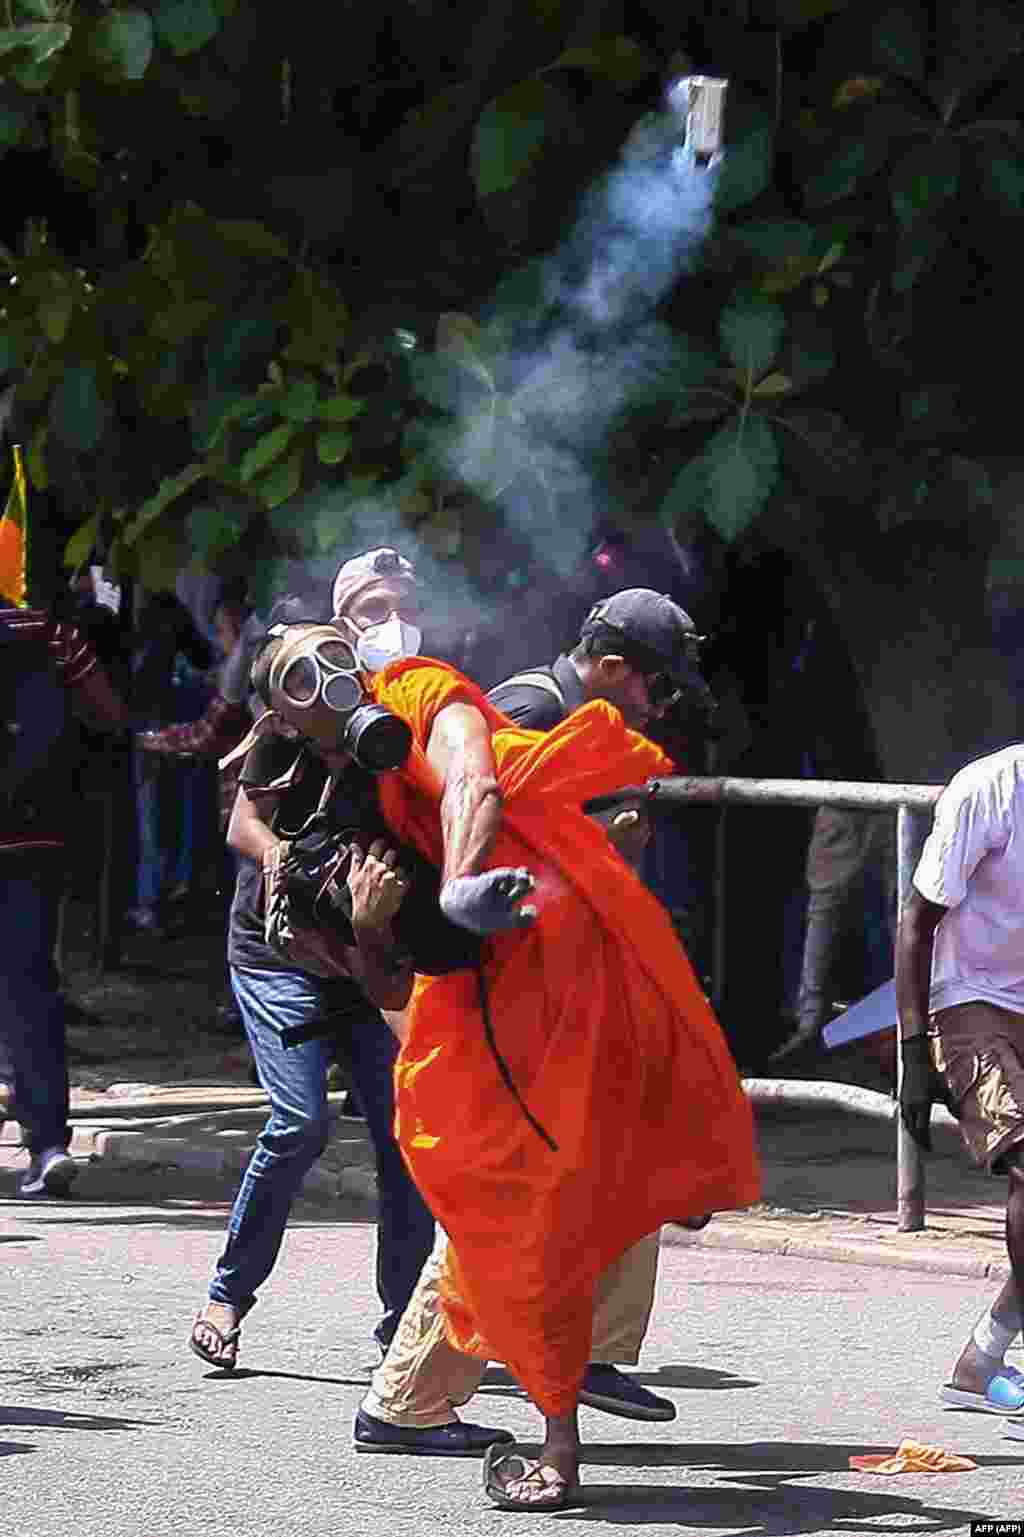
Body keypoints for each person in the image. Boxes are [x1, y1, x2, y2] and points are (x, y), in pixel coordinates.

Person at [349, 615, 760, 1508]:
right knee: (502, 1197)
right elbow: (479, 838)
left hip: (545, 999)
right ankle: (408, 1397)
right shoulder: (526, 708)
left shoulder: (551, 714)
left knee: (599, 1172)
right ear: (611, 666)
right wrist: (596, 839)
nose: (657, 702)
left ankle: (588, 1356)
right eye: (651, 683)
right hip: (488, 999)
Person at [187, 560, 438, 1384]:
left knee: (407, 1136)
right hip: (280, 955)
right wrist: (282, 857)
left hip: (361, 954)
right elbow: (242, 824)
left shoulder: (411, 717)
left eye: (402, 607)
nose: (388, 621)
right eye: (372, 609)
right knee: (298, 1124)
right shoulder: (289, 717)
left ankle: (405, 1322)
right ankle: (226, 1297)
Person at [897, 743, 1024, 1416]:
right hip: (968, 998)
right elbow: (916, 921)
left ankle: (982, 1359)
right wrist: (915, 1056)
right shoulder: (989, 789)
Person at [0, 598, 126, 1196]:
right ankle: (48, 1143)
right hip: (33, 834)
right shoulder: (51, 632)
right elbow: (106, 713)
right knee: (30, 988)